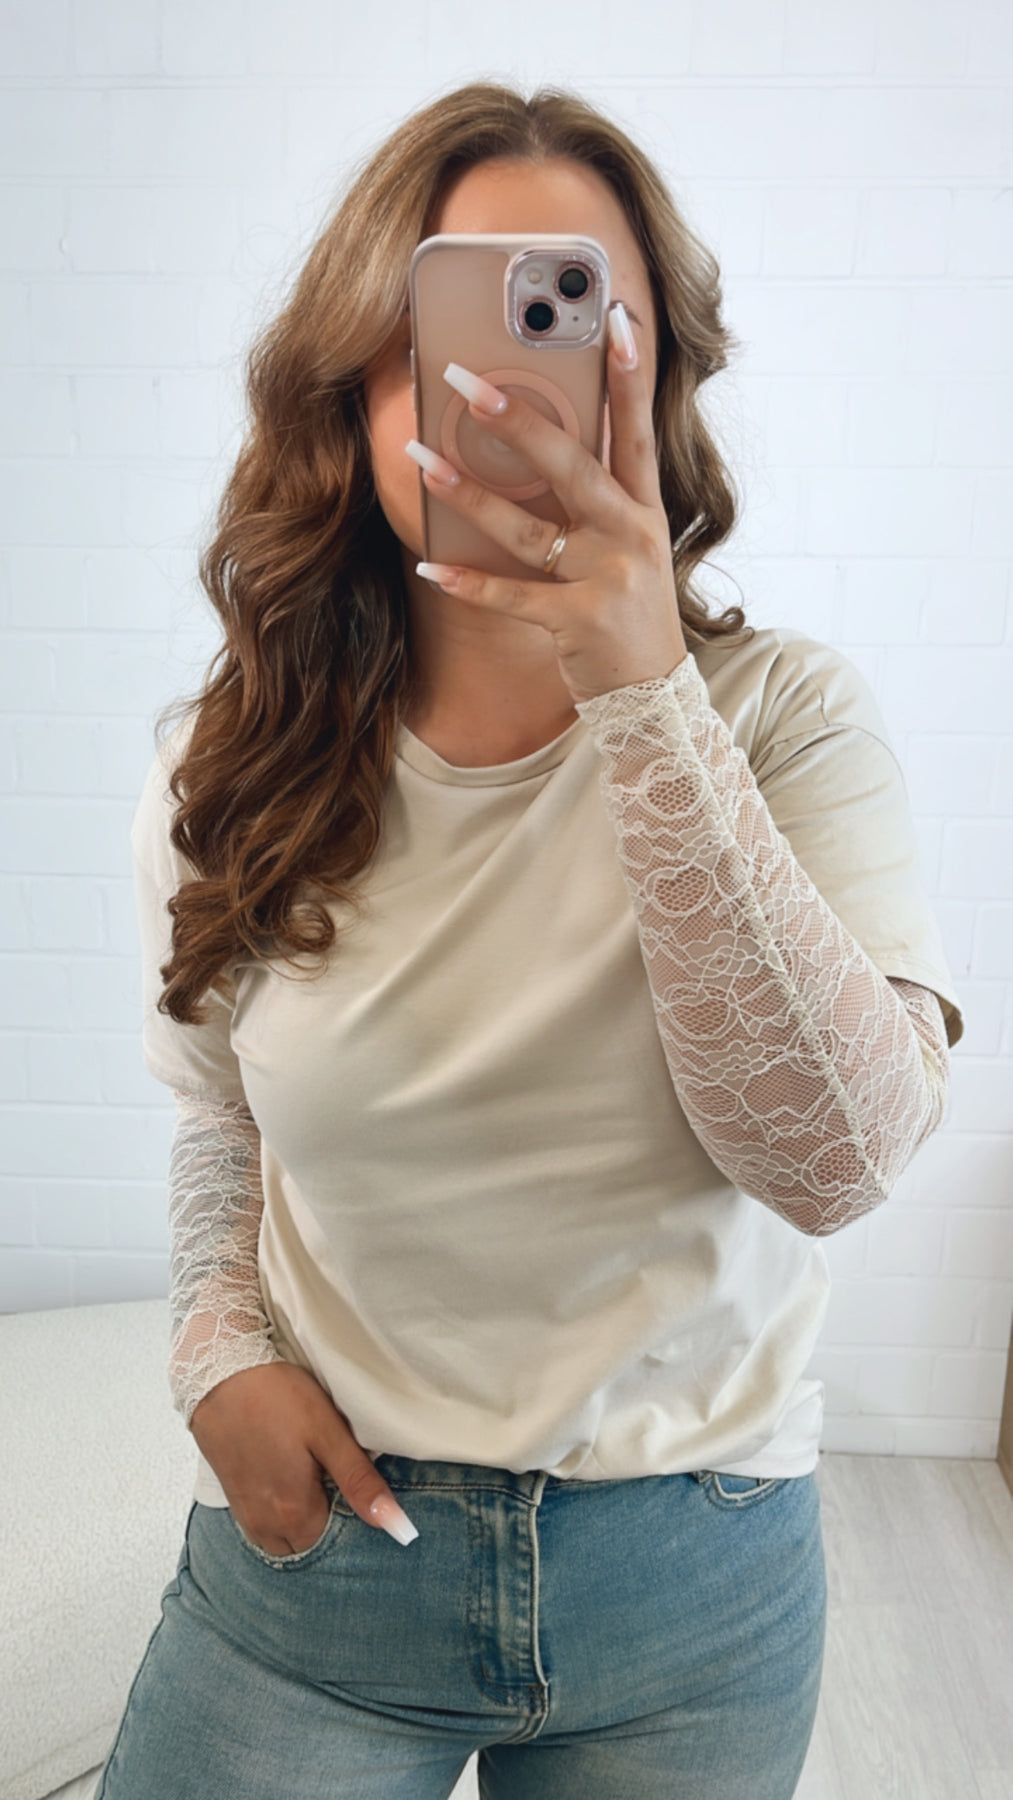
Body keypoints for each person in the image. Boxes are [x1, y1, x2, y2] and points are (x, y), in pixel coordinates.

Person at [95, 80, 963, 1800]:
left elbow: (833, 1161)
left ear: (655, 378)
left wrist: (640, 691)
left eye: (566, 321)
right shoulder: (232, 762)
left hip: (696, 1591)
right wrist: (217, 1352)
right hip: (324, 1570)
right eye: (449, 331)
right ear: (356, 384)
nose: (506, 393)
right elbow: (217, 1110)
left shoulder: (788, 721)